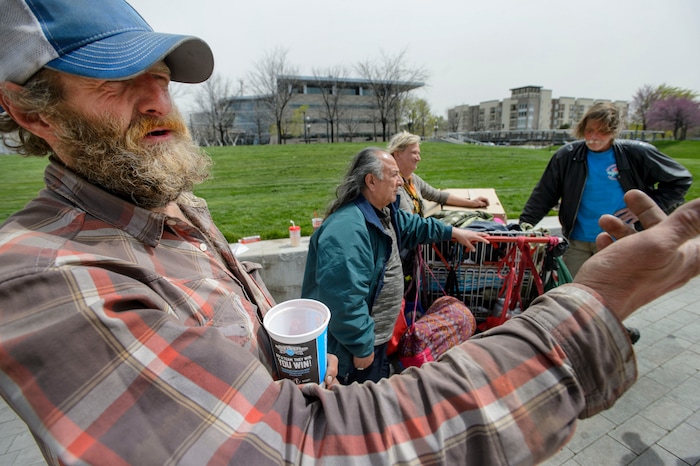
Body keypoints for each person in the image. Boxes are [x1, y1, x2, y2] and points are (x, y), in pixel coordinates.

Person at [2, 2, 700, 465]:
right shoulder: (49, 279)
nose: (156, 101)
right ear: (30, 113)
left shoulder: (171, 205)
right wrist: (590, 308)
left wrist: (288, 372)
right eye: (113, 81)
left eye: (158, 77)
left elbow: (411, 221)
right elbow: (300, 446)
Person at [300, 147, 489, 385]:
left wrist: (453, 232)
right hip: (351, 350)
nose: (400, 182)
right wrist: (362, 347)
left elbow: (414, 226)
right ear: (371, 181)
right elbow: (344, 299)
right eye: (393, 175)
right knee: (358, 404)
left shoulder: (382, 212)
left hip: (374, 339)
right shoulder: (347, 230)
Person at [520, 102, 692, 277]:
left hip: (622, 239)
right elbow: (544, 194)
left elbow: (680, 180)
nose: (594, 136)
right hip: (577, 240)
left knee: (615, 293)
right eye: (589, 130)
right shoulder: (567, 155)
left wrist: (643, 209)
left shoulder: (636, 153)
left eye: (602, 131)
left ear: (614, 131)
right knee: (572, 292)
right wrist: (522, 227)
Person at [388, 130, 490, 217]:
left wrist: (471, 203)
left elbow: (439, 196)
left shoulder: (412, 179)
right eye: (414, 153)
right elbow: (410, 223)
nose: (419, 158)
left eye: (419, 153)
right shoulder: (393, 185)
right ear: (398, 154)